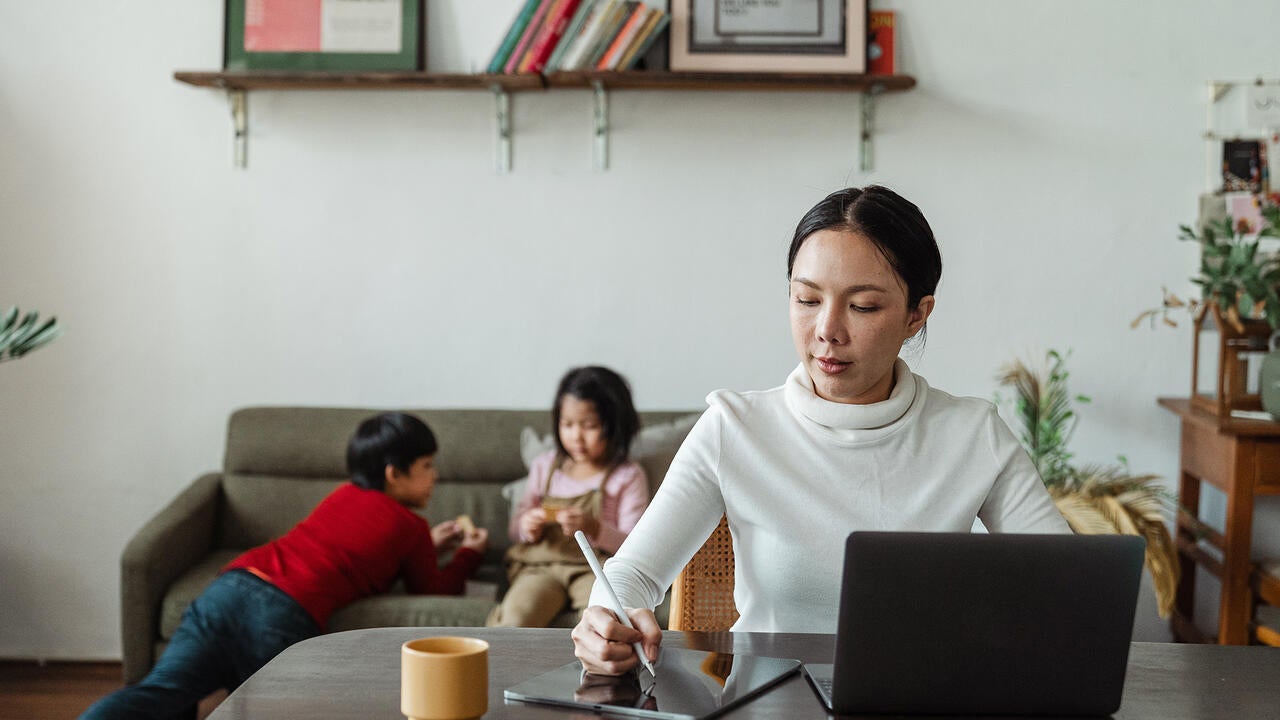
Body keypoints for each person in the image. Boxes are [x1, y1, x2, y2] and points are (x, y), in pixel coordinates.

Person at [571, 185, 1071, 675]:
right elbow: (632, 574)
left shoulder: (971, 433)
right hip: (767, 708)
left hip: (917, 702)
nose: (828, 330)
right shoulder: (734, 428)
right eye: (807, 299)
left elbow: (1068, 583)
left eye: (864, 306)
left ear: (917, 314)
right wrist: (606, 620)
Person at [82, 412, 489, 720]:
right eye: (427, 466)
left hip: (232, 586)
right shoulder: (410, 526)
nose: (435, 477)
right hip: (282, 612)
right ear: (394, 473)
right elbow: (434, 588)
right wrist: (469, 553)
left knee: (161, 692)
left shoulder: (342, 495)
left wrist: (428, 544)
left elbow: (353, 545)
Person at [487, 366, 649, 627]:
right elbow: (515, 529)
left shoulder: (627, 476)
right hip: (541, 566)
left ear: (615, 425)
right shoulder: (545, 466)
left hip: (594, 569)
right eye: (567, 424)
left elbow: (636, 545)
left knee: (603, 622)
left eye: (590, 426)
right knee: (515, 619)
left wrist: (594, 527)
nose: (576, 436)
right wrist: (528, 526)